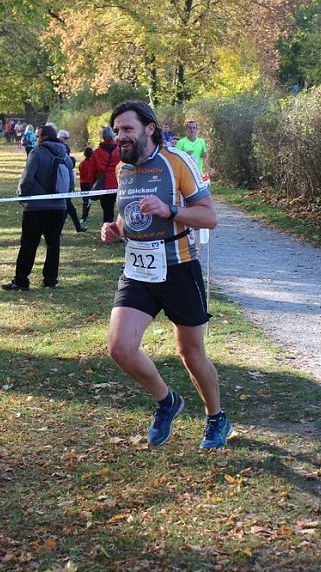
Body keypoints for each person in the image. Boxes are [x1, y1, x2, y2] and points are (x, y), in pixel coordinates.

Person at [100, 100, 231, 450]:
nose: (120, 136)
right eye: (116, 130)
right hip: (138, 269)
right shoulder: (124, 170)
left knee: (191, 353)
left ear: (149, 128)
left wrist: (170, 210)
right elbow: (128, 217)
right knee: (120, 348)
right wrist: (115, 229)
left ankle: (216, 417)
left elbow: (209, 218)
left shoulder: (177, 162)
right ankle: (167, 401)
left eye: (127, 129)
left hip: (179, 268)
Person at [2, 124, 71, 291]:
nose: (36, 139)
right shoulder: (66, 156)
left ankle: (21, 280)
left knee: (29, 244)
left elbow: (27, 179)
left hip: (36, 207)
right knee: (53, 244)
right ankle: (50, 280)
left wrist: (22, 196)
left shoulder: (36, 153)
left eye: (38, 136)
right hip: (59, 207)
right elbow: (70, 182)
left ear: (44, 137)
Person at [57, 129, 87, 233]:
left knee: (68, 207)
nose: (67, 140)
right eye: (65, 138)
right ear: (60, 138)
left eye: (68, 138)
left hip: (67, 178)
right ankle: (62, 229)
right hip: (63, 180)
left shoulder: (64, 148)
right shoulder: (60, 148)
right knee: (68, 207)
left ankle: (75, 228)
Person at [89, 126, 119, 223]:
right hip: (119, 183)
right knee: (123, 211)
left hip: (104, 186)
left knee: (107, 213)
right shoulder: (120, 150)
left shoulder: (96, 152)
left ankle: (108, 230)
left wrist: (92, 185)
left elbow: (92, 171)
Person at [78, 146, 94, 224]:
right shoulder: (91, 164)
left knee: (85, 200)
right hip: (88, 183)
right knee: (88, 201)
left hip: (82, 183)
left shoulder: (82, 163)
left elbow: (80, 170)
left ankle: (84, 216)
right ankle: (84, 217)